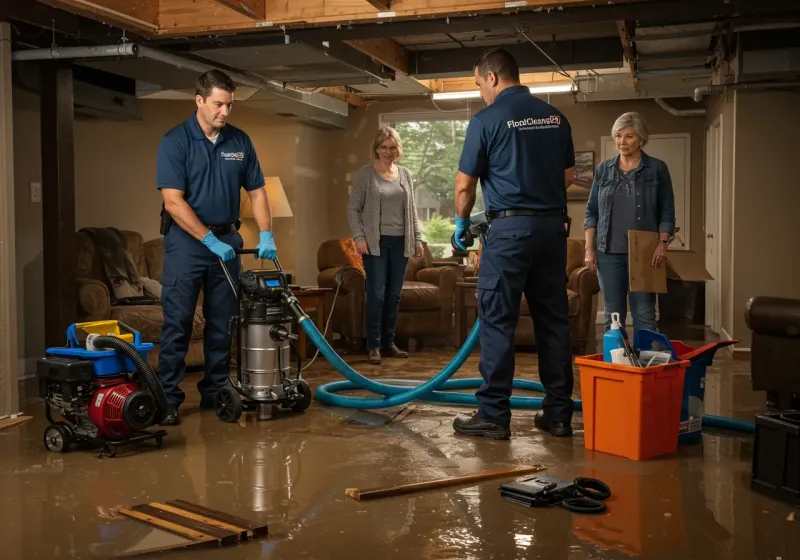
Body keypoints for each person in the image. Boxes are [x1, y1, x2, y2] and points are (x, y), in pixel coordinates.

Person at [450, 47, 576, 440]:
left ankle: (493, 415)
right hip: (553, 232)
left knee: (497, 321)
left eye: (478, 84)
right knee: (554, 323)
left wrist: (460, 222)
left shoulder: (486, 119)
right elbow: (569, 176)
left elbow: (463, 184)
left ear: (492, 77)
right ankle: (558, 416)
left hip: (509, 234)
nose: (480, 93)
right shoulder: (556, 116)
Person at [156, 69, 277, 425]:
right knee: (177, 321)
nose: (225, 112)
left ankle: (215, 392)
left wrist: (266, 234)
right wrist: (206, 239)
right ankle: (169, 398)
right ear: (200, 101)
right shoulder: (175, 141)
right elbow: (173, 202)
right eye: (218, 104)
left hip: (228, 241)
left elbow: (257, 192)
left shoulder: (240, 142)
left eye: (229, 105)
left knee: (223, 322)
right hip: (187, 243)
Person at [583, 112, 675, 338]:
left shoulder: (657, 169)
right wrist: (589, 249)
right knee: (613, 317)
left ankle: (645, 367)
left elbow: (667, 210)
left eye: (629, 136)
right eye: (618, 136)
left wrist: (662, 243)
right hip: (607, 253)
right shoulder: (604, 170)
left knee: (644, 314)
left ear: (641, 139)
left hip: (644, 253)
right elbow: (591, 211)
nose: (622, 142)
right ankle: (617, 368)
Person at [347, 126, 424, 365]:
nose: (387, 152)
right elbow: (353, 209)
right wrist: (359, 238)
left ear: (397, 149)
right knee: (377, 295)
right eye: (383, 147)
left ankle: (389, 343)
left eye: (392, 147)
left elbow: (411, 210)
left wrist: (417, 239)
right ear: (376, 149)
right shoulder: (366, 174)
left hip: (401, 241)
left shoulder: (405, 174)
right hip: (375, 243)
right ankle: (373, 346)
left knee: (394, 295)